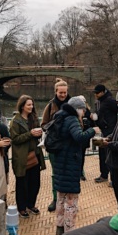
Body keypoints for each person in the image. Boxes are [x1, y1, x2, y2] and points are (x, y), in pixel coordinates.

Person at [52, 96, 99, 235]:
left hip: (61, 163)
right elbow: (79, 137)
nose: (84, 113)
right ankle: (69, 233)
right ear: (77, 109)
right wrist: (92, 131)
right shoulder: (72, 119)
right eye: (83, 110)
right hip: (70, 164)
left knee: (60, 199)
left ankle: (59, 229)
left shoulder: (60, 117)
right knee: (71, 201)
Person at [10, 95, 46, 218]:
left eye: (32, 104)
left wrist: (39, 134)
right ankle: (21, 208)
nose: (31, 107)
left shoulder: (34, 118)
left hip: (34, 155)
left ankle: (31, 204)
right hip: (22, 157)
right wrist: (30, 134)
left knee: (35, 183)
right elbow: (15, 139)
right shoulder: (15, 121)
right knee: (22, 184)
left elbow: (37, 135)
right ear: (22, 106)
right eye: (28, 105)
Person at [41, 78, 71, 212]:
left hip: (69, 144)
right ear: (56, 92)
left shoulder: (72, 104)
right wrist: (54, 127)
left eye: (65, 93)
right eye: (60, 93)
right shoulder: (50, 105)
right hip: (55, 145)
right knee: (56, 174)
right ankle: (55, 199)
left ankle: (69, 199)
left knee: (68, 173)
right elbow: (43, 124)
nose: (63, 95)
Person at [92, 84, 118, 184]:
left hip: (111, 131)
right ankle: (104, 175)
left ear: (103, 92)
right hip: (102, 131)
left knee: (110, 155)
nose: (96, 94)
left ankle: (114, 178)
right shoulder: (98, 101)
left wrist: (117, 126)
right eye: (95, 93)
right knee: (102, 154)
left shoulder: (110, 100)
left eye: (97, 93)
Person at [76, 95, 95, 181]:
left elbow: (92, 124)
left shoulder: (88, 112)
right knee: (76, 155)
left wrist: (92, 119)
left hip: (84, 137)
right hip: (78, 137)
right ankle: (77, 172)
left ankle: (80, 172)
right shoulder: (74, 113)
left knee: (82, 156)